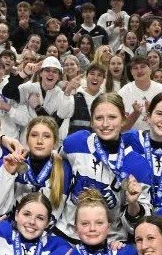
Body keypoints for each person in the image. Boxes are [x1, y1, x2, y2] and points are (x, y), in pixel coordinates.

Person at [60, 93, 152, 240]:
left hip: (110, 242)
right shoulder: (75, 143)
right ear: (91, 121)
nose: (105, 124)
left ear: (124, 119)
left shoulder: (138, 164)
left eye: (112, 117)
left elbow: (139, 226)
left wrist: (133, 204)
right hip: (68, 234)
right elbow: (55, 167)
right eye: (99, 118)